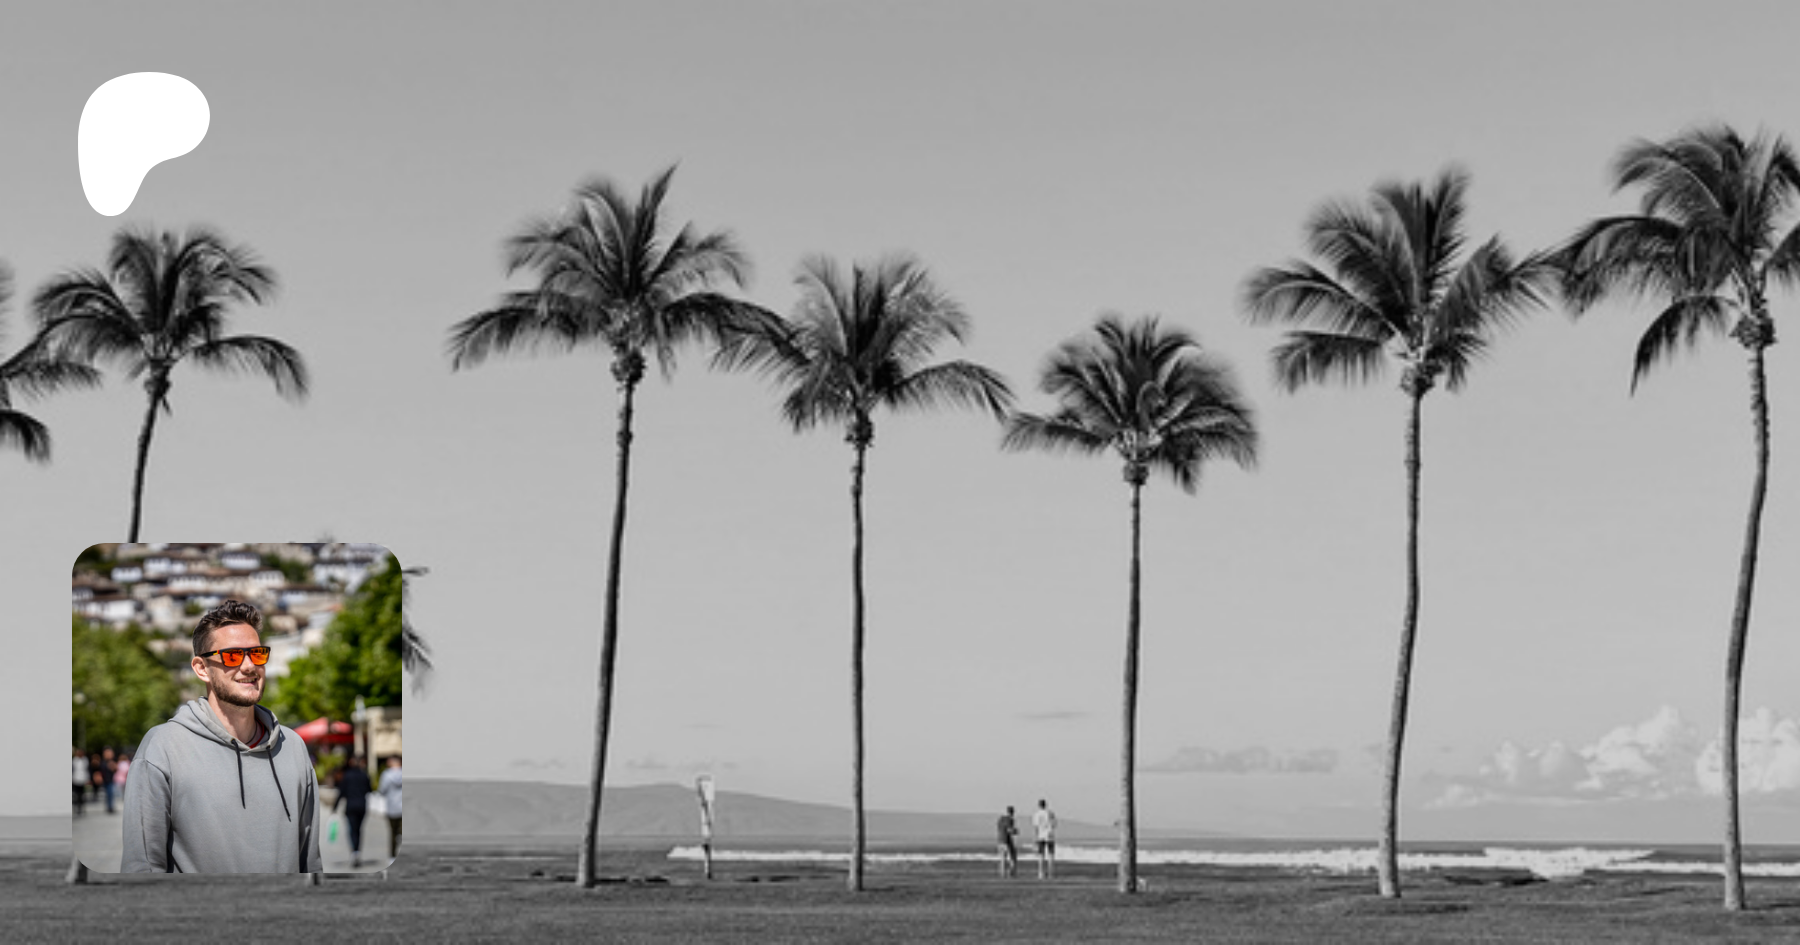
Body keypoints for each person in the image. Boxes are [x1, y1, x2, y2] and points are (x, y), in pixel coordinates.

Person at [120, 600, 322, 873]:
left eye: (257, 654)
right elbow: (142, 869)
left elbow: (311, 864)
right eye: (233, 656)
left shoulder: (293, 747)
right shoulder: (163, 748)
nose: (249, 666)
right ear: (202, 668)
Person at [332, 755, 373, 867]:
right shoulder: (365, 775)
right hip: (362, 805)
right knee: (359, 830)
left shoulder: (347, 776)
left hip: (350, 806)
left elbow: (341, 792)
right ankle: (357, 852)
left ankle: (354, 852)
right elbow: (369, 790)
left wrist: (335, 807)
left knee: (352, 830)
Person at [377, 754, 402, 865]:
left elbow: (382, 790)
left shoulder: (386, 775)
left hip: (392, 807)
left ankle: (392, 856)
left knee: (392, 833)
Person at [1032, 798, 1058, 879]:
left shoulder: (1036, 814)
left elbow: (1036, 827)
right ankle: (1051, 873)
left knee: (1041, 855)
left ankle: (1041, 873)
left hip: (1040, 835)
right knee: (1051, 855)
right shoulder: (1051, 813)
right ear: (1045, 805)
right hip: (1050, 835)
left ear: (1039, 805)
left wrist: (1036, 837)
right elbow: (1054, 824)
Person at [996, 805, 1018, 878]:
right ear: (1012, 812)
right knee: (1013, 857)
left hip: (1000, 839)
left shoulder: (1001, 819)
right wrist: (1015, 831)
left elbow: (999, 829)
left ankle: (1002, 873)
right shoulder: (1010, 819)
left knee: (1003, 858)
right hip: (1006, 840)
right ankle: (1011, 872)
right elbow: (1009, 830)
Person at [99, 748, 118, 814]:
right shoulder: (102, 762)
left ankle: (110, 807)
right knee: (107, 794)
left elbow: (115, 770)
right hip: (104, 780)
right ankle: (109, 806)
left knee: (110, 794)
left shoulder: (112, 761)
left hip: (110, 780)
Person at [71, 748, 88, 817]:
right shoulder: (74, 760)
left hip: (83, 779)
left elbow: (86, 769)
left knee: (82, 795)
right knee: (76, 795)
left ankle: (81, 808)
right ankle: (77, 808)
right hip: (75, 779)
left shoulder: (85, 760)